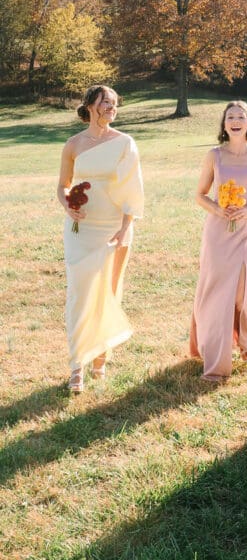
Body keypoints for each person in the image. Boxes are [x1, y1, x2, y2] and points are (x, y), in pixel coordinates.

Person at [57, 84, 144, 393]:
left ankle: (100, 360)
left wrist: (125, 227)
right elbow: (63, 186)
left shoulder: (125, 143)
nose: (111, 107)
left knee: (108, 292)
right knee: (79, 294)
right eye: (105, 102)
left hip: (114, 228)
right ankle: (76, 366)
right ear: (90, 106)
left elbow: (132, 190)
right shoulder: (73, 144)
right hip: (81, 230)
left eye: (115, 103)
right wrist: (68, 205)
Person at [190, 101, 247, 381]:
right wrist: (217, 208)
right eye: (230, 117)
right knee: (216, 290)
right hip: (218, 231)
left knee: (240, 290)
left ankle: (245, 338)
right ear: (224, 125)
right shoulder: (214, 156)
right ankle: (215, 355)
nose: (235, 121)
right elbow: (200, 194)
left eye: (241, 117)